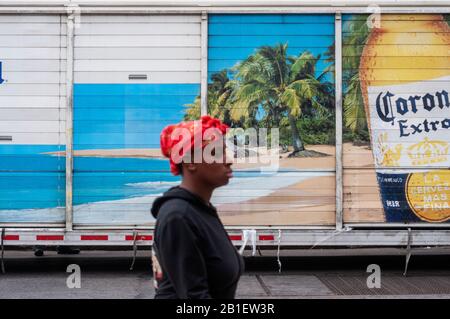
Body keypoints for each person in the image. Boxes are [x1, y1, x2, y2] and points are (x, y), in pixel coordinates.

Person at [150, 115, 244, 299]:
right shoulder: (178, 217)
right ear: (190, 162)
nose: (228, 160)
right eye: (216, 153)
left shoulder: (201, 209)